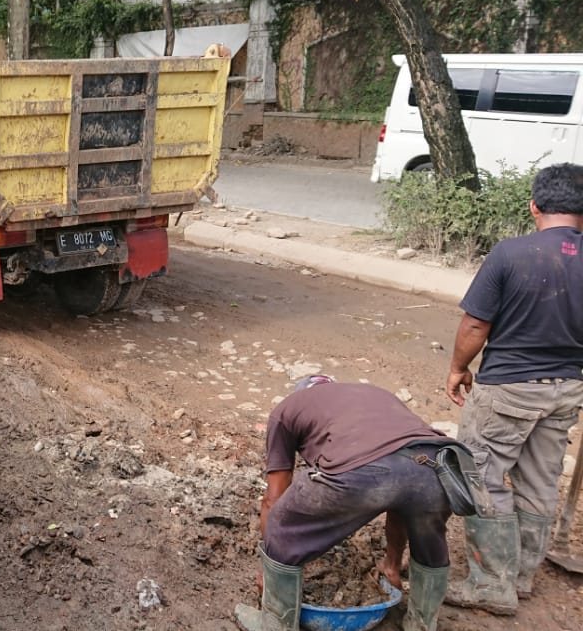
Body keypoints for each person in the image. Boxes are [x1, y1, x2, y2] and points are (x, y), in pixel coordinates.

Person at [443, 163, 583, 616]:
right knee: (541, 481)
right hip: (566, 391)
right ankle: (520, 577)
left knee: (480, 476)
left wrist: (458, 367)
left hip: (509, 388)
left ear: (534, 207)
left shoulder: (510, 253)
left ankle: (491, 583)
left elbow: (476, 322)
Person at [234, 375, 453, 631]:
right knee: (424, 530)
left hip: (364, 470)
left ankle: (274, 624)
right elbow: (400, 481)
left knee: (283, 523)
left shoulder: (287, 410)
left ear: (301, 393)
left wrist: (270, 573)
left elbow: (273, 498)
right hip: (437, 467)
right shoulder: (375, 393)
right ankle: (422, 623)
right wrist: (391, 566)